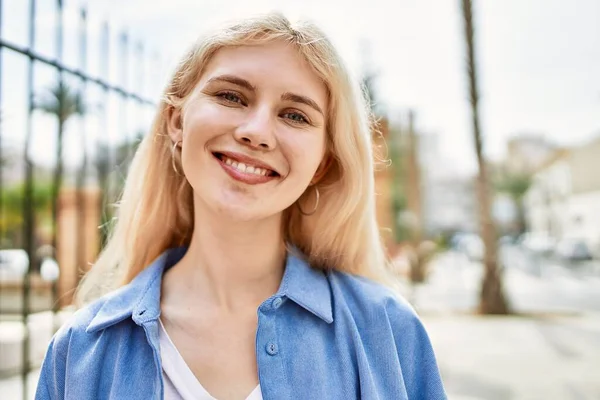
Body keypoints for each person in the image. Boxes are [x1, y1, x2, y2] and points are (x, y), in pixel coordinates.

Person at [35, 12, 446, 400]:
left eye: (295, 115)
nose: (256, 132)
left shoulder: (390, 333)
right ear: (176, 121)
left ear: (322, 163)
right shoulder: (80, 352)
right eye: (231, 96)